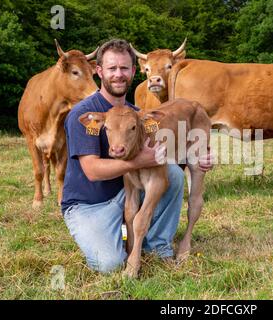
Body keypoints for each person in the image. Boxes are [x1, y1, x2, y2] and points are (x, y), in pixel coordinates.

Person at [61, 39, 213, 273]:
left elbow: (160, 145)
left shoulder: (136, 115)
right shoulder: (84, 114)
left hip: (125, 192)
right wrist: (139, 161)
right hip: (89, 204)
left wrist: (197, 156)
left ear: (134, 71)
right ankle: (122, 237)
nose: (119, 75)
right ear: (99, 71)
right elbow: (91, 171)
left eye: (124, 68)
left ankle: (157, 246)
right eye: (112, 69)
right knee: (110, 264)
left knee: (171, 172)